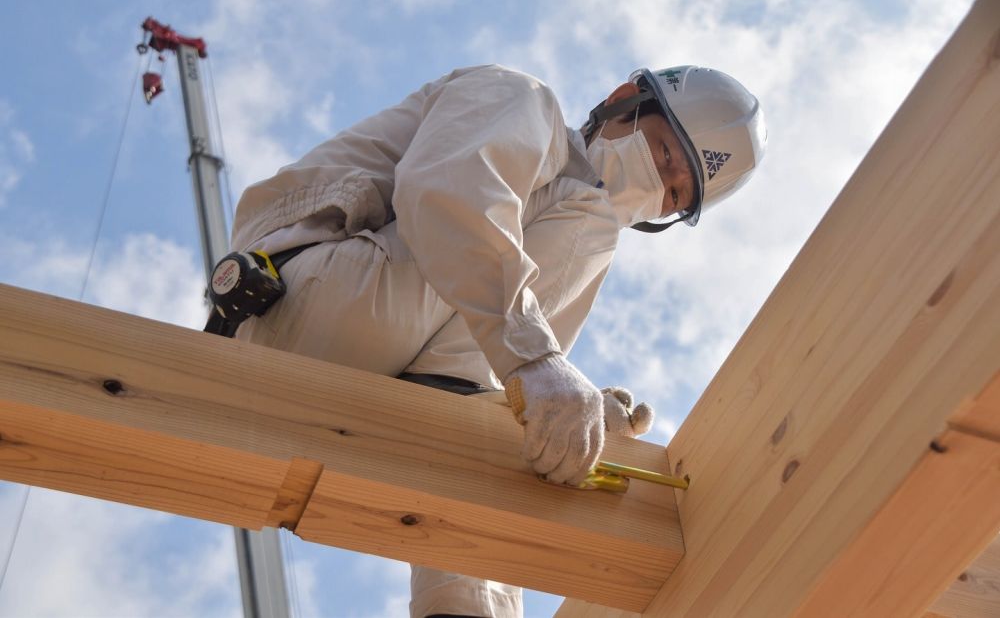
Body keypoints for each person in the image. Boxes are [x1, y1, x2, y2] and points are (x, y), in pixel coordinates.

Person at [229, 63, 765, 618]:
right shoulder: (522, 101)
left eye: (675, 195)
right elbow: (445, 194)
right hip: (302, 291)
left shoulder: (572, 237)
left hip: (382, 365)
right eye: (664, 153)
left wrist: (568, 422)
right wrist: (536, 359)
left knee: (506, 444)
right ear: (623, 101)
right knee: (582, 231)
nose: (655, 185)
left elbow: (492, 356)